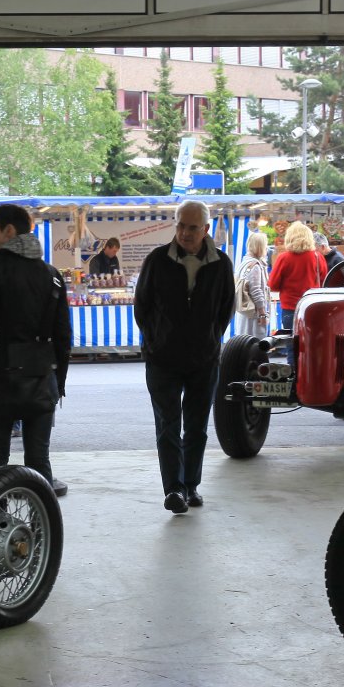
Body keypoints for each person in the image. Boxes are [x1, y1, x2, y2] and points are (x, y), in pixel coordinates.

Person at [135, 199, 235, 515]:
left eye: (192, 227)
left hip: (204, 360)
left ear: (205, 229)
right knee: (167, 426)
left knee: (196, 427)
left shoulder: (221, 263)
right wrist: (155, 341)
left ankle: (191, 485)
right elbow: (142, 306)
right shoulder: (157, 260)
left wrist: (210, 339)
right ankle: (173, 490)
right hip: (162, 359)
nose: (185, 233)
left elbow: (225, 308)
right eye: (180, 225)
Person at [0, 204, 71, 496]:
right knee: (39, 460)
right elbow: (63, 336)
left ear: (9, 231)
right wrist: (58, 381)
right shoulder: (51, 274)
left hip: (2, 375)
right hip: (41, 375)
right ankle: (42, 520)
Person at [267, 220, 323, 331]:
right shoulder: (318, 257)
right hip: (312, 306)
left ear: (289, 238)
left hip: (290, 309)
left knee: (291, 340)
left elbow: (273, 285)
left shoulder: (284, 258)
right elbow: (323, 282)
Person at [234, 231, 271, 339]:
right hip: (254, 313)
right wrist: (262, 313)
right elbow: (256, 291)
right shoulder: (255, 266)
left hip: (245, 311)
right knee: (254, 342)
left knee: (244, 340)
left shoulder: (244, 263)